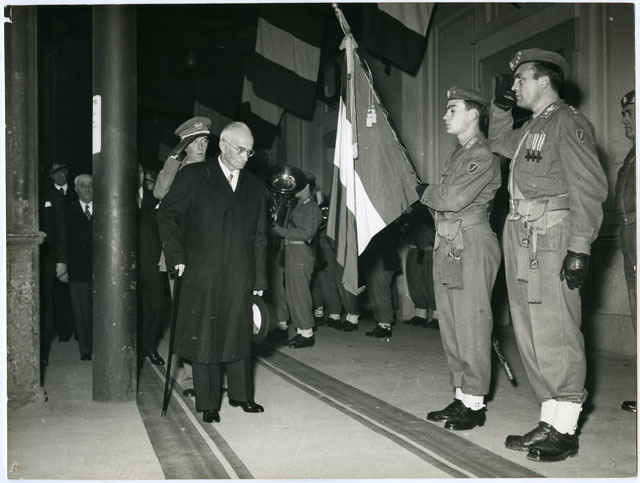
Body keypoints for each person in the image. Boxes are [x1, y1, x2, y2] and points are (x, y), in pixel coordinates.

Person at [489, 49, 608, 462]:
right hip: (522, 235)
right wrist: (500, 108)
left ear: (544, 81)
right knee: (529, 330)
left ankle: (566, 428)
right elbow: (498, 142)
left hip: (552, 237)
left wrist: (580, 247)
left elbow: (588, 187)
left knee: (556, 329)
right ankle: (549, 419)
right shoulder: (530, 128)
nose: (515, 85)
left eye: (520, 78)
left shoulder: (567, 122)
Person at [157, 121, 268, 424]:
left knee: (239, 334)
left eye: (249, 151)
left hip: (241, 273)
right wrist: (177, 256)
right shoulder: (194, 176)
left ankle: (242, 395)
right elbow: (168, 215)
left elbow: (260, 236)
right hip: (202, 271)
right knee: (205, 337)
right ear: (223, 146)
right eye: (240, 150)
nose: (245, 157)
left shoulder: (255, 185)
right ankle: (208, 403)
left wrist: (260, 278)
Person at [417, 87, 501, 431]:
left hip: (471, 242)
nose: (445, 115)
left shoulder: (482, 154)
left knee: (471, 324)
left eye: (453, 109)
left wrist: (424, 191)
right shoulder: (458, 154)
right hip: (450, 240)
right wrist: (431, 196)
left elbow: (451, 199)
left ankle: (475, 403)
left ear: (474, 114)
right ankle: (461, 394)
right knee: (452, 324)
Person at [154, 116, 212, 396]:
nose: (201, 147)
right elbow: (160, 192)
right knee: (187, 318)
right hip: (182, 255)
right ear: (185, 146)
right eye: (195, 142)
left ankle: (209, 376)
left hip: (209, 255)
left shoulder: (214, 171)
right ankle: (191, 379)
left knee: (211, 317)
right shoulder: (176, 170)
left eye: (205, 141)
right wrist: (174, 156)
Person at [272, 172, 323, 348]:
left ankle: (307, 333)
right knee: (292, 294)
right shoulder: (298, 206)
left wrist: (281, 231)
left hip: (301, 252)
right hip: (292, 251)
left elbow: (306, 232)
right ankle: (301, 331)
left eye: (298, 186)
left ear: (307, 187)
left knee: (300, 293)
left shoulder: (311, 207)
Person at [39, 163, 76, 366]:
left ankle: (73, 331)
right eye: (55, 172)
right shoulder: (44, 195)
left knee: (70, 295)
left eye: (62, 171)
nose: (59, 175)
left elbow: (64, 228)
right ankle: (44, 350)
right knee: (48, 299)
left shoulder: (73, 192)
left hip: (68, 253)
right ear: (51, 176)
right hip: (46, 256)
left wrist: (63, 259)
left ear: (66, 172)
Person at [616, 90, 636, 413]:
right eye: (624, 113)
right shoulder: (631, 156)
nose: (625, 119)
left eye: (631, 112)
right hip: (628, 236)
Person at [59, 174, 94, 361]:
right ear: (76, 189)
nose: (87, 188)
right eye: (82, 185)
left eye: (90, 185)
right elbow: (62, 238)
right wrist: (62, 263)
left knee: (99, 309)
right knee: (80, 310)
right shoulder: (68, 210)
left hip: (100, 270)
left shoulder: (104, 209)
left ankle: (100, 345)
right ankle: (85, 349)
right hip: (77, 267)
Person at [137, 165, 169, 366]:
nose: (136, 176)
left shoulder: (155, 198)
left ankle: (149, 346)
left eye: (139, 172)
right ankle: (133, 349)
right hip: (125, 265)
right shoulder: (117, 198)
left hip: (152, 261)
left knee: (156, 306)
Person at [361, 221, 402, 339]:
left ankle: (385, 324)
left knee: (381, 289)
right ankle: (381, 322)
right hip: (376, 254)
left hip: (385, 255)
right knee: (375, 290)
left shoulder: (386, 218)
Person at [402, 203, 439, 330]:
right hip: (415, 245)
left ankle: (438, 315)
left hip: (430, 245)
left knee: (431, 282)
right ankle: (420, 313)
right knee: (415, 281)